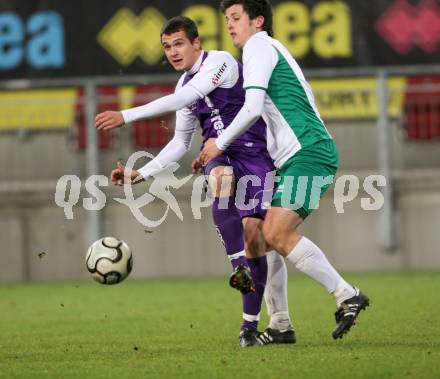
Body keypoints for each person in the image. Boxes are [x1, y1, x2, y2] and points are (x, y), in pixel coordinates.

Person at [95, 16, 294, 347]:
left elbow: (189, 95)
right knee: (220, 176)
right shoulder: (183, 89)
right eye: (167, 47)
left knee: (256, 237)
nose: (173, 52)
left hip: (257, 155)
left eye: (179, 44)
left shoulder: (220, 62)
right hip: (219, 154)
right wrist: (141, 173)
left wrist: (125, 115)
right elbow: (179, 143)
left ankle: (249, 325)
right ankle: (238, 266)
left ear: (196, 43)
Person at [200, 0, 369, 340]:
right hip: (295, 157)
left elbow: (250, 109)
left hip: (309, 153)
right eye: (227, 19)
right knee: (261, 237)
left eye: (236, 18)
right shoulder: (262, 50)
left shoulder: (258, 46)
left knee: (275, 233)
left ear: (258, 21)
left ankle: (346, 294)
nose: (230, 25)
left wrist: (218, 143)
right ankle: (280, 324)